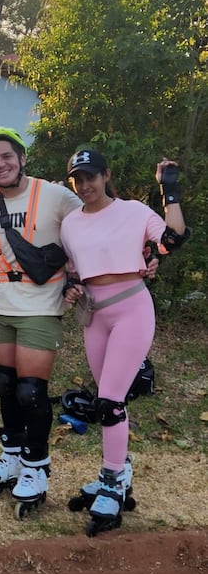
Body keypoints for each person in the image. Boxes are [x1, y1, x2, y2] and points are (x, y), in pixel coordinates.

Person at [60, 149, 189, 536]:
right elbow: (73, 268)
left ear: (106, 175)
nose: (85, 186)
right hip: (94, 314)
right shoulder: (69, 224)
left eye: (91, 177)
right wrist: (71, 285)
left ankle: (112, 482)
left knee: (111, 401)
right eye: (77, 180)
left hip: (131, 308)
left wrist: (169, 191)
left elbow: (173, 238)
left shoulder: (133, 211)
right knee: (107, 401)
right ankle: (118, 472)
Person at [0, 127, 80, 518]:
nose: (0, 164)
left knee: (31, 392)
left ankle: (36, 466)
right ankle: (12, 455)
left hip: (40, 304)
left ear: (22, 158)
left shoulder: (55, 195)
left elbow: (87, 231)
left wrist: (77, 277)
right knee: (5, 385)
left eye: (6, 156)